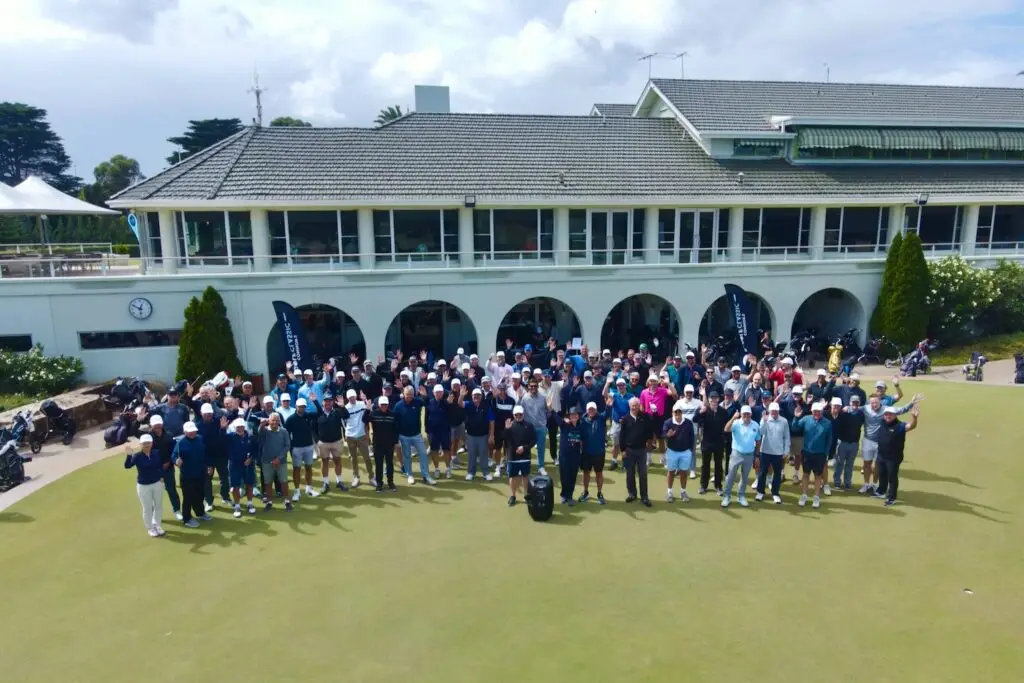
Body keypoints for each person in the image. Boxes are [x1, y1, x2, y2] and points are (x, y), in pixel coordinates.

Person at [858, 393, 921, 494]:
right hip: (867, 440)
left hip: (880, 442)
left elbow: (901, 410)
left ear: (880, 401)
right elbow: (854, 408)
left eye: (876, 402)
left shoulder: (887, 410)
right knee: (866, 464)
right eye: (872, 403)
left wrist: (911, 403)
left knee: (878, 464)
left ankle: (874, 484)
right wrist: (846, 408)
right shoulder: (865, 408)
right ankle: (866, 484)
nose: (874, 404)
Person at [874, 405, 919, 506]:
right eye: (886, 414)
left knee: (892, 477)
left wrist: (914, 418)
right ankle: (881, 491)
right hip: (881, 455)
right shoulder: (882, 422)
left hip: (893, 458)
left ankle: (892, 498)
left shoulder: (900, 426)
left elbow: (911, 426)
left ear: (895, 415)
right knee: (881, 474)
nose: (888, 416)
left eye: (890, 414)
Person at [791, 401, 833, 508]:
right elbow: (794, 428)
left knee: (818, 476)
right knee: (805, 474)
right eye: (815, 411)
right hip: (806, 453)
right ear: (812, 411)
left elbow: (829, 440)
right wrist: (796, 417)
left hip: (820, 454)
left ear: (822, 411)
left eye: (819, 411)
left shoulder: (827, 423)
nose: (817, 413)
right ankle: (804, 495)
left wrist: (826, 454)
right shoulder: (806, 419)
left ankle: (816, 497)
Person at [124, 434, 166, 537]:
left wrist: (161, 476)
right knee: (147, 508)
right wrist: (129, 455)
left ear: (152, 444)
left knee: (158, 506)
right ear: (141, 445)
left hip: (157, 483)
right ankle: (150, 528)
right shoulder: (137, 456)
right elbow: (127, 466)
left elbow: (160, 466)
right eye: (144, 444)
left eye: (148, 443)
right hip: (143, 486)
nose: (146, 445)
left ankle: (157, 525)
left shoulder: (156, 453)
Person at [392, 386, 435, 485]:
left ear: (413, 394)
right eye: (407, 395)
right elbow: (394, 421)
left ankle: (426, 476)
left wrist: (425, 396)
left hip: (417, 435)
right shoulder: (398, 406)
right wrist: (396, 436)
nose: (409, 397)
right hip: (403, 436)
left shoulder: (417, 401)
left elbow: (429, 404)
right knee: (407, 456)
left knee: (423, 454)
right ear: (404, 394)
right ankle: (410, 475)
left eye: (411, 395)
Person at [173, 421, 211, 528]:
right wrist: (176, 461)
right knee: (188, 497)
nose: (192, 433)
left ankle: (200, 513)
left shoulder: (200, 439)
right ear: (185, 432)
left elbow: (206, 454)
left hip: (200, 473)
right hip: (187, 476)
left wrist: (209, 466)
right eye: (189, 431)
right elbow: (174, 456)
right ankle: (187, 518)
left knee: (200, 495)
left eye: (193, 431)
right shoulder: (180, 443)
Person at [722, 405, 760, 508]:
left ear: (751, 414)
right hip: (736, 454)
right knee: (731, 476)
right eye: (744, 414)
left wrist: (757, 455)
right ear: (741, 415)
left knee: (744, 477)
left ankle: (741, 496)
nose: (746, 416)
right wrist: (734, 417)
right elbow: (726, 429)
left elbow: (758, 440)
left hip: (749, 455)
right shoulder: (736, 423)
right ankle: (727, 496)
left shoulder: (755, 425)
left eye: (748, 414)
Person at [618, 397, 652, 507]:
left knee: (643, 474)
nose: (634, 407)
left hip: (642, 450)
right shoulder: (625, 419)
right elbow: (621, 436)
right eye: (632, 405)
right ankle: (632, 494)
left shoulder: (645, 417)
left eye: (636, 405)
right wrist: (623, 450)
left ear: (639, 406)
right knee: (630, 474)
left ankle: (644, 497)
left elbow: (649, 432)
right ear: (629, 406)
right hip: (629, 450)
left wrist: (649, 442)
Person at [694, 390, 729, 495]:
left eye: (715, 398)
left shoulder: (723, 412)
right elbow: (695, 419)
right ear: (708, 400)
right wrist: (700, 412)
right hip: (706, 443)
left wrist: (725, 439)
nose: (713, 400)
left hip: (719, 442)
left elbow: (727, 426)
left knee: (718, 465)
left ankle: (718, 486)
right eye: (711, 398)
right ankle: (703, 486)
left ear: (718, 399)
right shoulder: (704, 410)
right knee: (705, 465)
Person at [148, 415, 181, 521]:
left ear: (162, 424)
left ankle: (177, 510)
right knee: (154, 493)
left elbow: (174, 452)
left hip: (168, 468)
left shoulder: (169, 436)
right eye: (155, 424)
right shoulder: (148, 438)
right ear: (151, 426)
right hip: (154, 470)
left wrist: (169, 462)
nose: (157, 426)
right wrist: (138, 420)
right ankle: (154, 514)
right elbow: (133, 431)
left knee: (171, 490)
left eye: (159, 424)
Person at [258, 412, 294, 511]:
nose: (275, 422)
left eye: (277, 420)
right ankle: (269, 502)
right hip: (266, 461)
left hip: (281, 462)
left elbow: (287, 446)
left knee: (284, 482)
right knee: (268, 482)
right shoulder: (264, 430)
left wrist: (279, 458)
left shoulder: (284, 431)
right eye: (273, 420)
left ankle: (287, 501)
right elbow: (259, 435)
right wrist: (261, 425)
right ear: (269, 421)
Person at [755, 402, 790, 504]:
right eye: (772, 411)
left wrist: (786, 450)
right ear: (769, 411)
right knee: (762, 473)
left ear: (778, 411)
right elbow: (760, 433)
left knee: (777, 474)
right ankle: (760, 492)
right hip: (765, 451)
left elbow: (786, 437)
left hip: (778, 452)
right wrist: (765, 422)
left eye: (776, 411)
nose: (774, 413)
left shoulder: (784, 421)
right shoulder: (765, 419)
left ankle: (775, 493)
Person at [339, 389, 375, 488]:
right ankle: (356, 477)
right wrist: (346, 435)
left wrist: (366, 403)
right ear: (347, 398)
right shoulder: (345, 408)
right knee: (353, 459)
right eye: (350, 397)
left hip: (361, 436)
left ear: (356, 396)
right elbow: (344, 421)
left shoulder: (361, 404)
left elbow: (368, 415)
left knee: (367, 458)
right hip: (350, 436)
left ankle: (371, 477)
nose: (352, 398)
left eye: (353, 396)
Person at [285, 397, 319, 500]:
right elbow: (287, 435)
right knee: (297, 469)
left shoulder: (308, 415)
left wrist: (315, 401)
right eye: (300, 407)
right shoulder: (290, 419)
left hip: (309, 447)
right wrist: (291, 448)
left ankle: (309, 488)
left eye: (303, 407)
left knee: (308, 468)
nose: (302, 409)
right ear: (296, 407)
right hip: (297, 448)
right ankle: (297, 491)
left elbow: (320, 413)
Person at [504, 405, 537, 506]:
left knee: (525, 476)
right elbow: (505, 440)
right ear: (513, 415)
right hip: (513, 456)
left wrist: (524, 448)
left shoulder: (529, 425)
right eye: (516, 414)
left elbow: (533, 440)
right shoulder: (509, 426)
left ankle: (526, 495)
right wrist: (506, 429)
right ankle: (513, 496)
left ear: (523, 414)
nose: (518, 416)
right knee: (512, 477)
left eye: (520, 414)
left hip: (525, 456)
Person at [364, 396, 399, 492]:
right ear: (379, 405)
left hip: (389, 444)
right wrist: (367, 409)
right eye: (382, 405)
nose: (384, 406)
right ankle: (379, 484)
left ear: (388, 405)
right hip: (377, 444)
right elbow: (364, 420)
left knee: (389, 464)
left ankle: (390, 483)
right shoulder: (374, 414)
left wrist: (395, 442)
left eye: (385, 405)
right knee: (379, 465)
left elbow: (395, 429)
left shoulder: (392, 414)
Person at [663, 401, 696, 503]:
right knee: (671, 472)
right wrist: (668, 435)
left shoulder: (688, 422)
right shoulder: (668, 422)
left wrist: (690, 450)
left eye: (679, 412)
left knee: (683, 472)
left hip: (685, 452)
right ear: (672, 413)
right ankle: (669, 492)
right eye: (675, 412)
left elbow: (692, 436)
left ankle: (683, 491)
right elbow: (663, 434)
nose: (677, 415)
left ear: (682, 413)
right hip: (672, 451)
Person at [579, 399, 610, 504]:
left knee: (599, 473)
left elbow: (607, 412)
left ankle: (599, 493)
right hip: (586, 452)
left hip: (599, 452)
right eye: (589, 409)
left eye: (593, 409)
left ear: (596, 410)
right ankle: (585, 492)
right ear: (587, 410)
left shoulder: (601, 418)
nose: (591, 411)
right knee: (586, 472)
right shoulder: (582, 420)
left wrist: (608, 405)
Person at [830, 395, 864, 491]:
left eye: (857, 403)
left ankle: (847, 483)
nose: (855, 405)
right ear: (850, 403)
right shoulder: (843, 413)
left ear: (859, 404)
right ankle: (837, 482)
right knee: (839, 463)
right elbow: (833, 415)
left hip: (854, 444)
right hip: (842, 442)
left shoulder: (861, 414)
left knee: (850, 464)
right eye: (853, 402)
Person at [225, 417, 257, 516]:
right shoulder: (230, 436)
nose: (240, 428)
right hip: (234, 464)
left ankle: (250, 503)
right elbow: (220, 438)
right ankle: (237, 506)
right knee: (235, 485)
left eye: (242, 426)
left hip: (248, 464)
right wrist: (222, 428)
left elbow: (256, 450)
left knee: (249, 484)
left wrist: (250, 459)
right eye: (238, 427)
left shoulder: (250, 437)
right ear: (235, 428)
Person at [316, 393, 347, 493]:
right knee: (324, 462)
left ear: (332, 402)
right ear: (323, 403)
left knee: (338, 461)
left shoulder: (337, 412)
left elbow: (347, 415)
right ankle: (326, 483)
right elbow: (313, 428)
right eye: (326, 401)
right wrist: (317, 440)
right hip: (323, 443)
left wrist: (342, 406)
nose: (328, 403)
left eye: (329, 401)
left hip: (336, 442)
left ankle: (339, 481)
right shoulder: (318, 414)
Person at [461, 387, 494, 482]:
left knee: (483, 454)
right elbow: (460, 404)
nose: (476, 397)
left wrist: (491, 435)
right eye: (475, 395)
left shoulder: (486, 406)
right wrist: (461, 396)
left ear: (481, 396)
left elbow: (491, 421)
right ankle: (471, 472)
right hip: (471, 435)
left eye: (478, 395)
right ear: (472, 396)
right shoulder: (468, 404)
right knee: (472, 454)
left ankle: (486, 473)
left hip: (483, 435)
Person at [520, 377, 551, 475]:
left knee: (541, 448)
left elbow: (548, 410)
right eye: (531, 386)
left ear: (538, 386)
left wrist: (545, 418)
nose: (533, 387)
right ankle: (525, 466)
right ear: (528, 387)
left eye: (535, 386)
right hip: (528, 428)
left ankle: (540, 467)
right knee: (526, 448)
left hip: (541, 427)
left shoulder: (543, 396)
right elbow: (520, 412)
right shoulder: (524, 398)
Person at [557, 407, 584, 505]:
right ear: (569, 416)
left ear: (578, 416)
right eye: (572, 415)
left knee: (572, 476)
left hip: (575, 456)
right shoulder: (564, 425)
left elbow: (583, 441)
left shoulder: (581, 427)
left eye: (575, 415)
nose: (574, 417)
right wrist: (550, 408)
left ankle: (570, 496)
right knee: (564, 476)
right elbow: (556, 418)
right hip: (564, 455)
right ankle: (564, 495)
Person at [426, 383, 453, 479]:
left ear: (443, 393)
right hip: (433, 432)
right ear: (433, 393)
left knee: (446, 450)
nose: (438, 394)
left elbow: (451, 415)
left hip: (445, 431)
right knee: (434, 451)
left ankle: (448, 468)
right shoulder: (429, 402)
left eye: (440, 392)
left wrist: (450, 404)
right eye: (437, 392)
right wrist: (427, 431)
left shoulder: (447, 403)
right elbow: (426, 418)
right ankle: (437, 469)